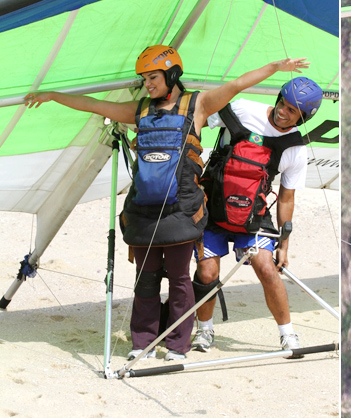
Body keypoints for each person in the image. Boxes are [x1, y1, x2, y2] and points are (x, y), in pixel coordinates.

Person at [24, 45, 310, 362]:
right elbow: (95, 105)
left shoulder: (199, 105)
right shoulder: (144, 110)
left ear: (171, 75)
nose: (147, 83)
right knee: (165, 276)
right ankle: (165, 338)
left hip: (200, 213)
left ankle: (198, 342)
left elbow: (237, 84)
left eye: (153, 77)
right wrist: (53, 96)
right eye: (144, 78)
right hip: (159, 211)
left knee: (200, 277)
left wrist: (276, 66)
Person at [190, 76, 323, 357]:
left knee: (266, 268)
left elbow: (286, 198)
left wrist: (284, 243)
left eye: (291, 111)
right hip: (213, 207)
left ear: (302, 118)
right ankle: (204, 330)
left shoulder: (295, 149)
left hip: (253, 217)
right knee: (207, 271)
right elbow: (198, 118)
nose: (282, 112)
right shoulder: (242, 110)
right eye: (282, 104)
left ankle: (287, 334)